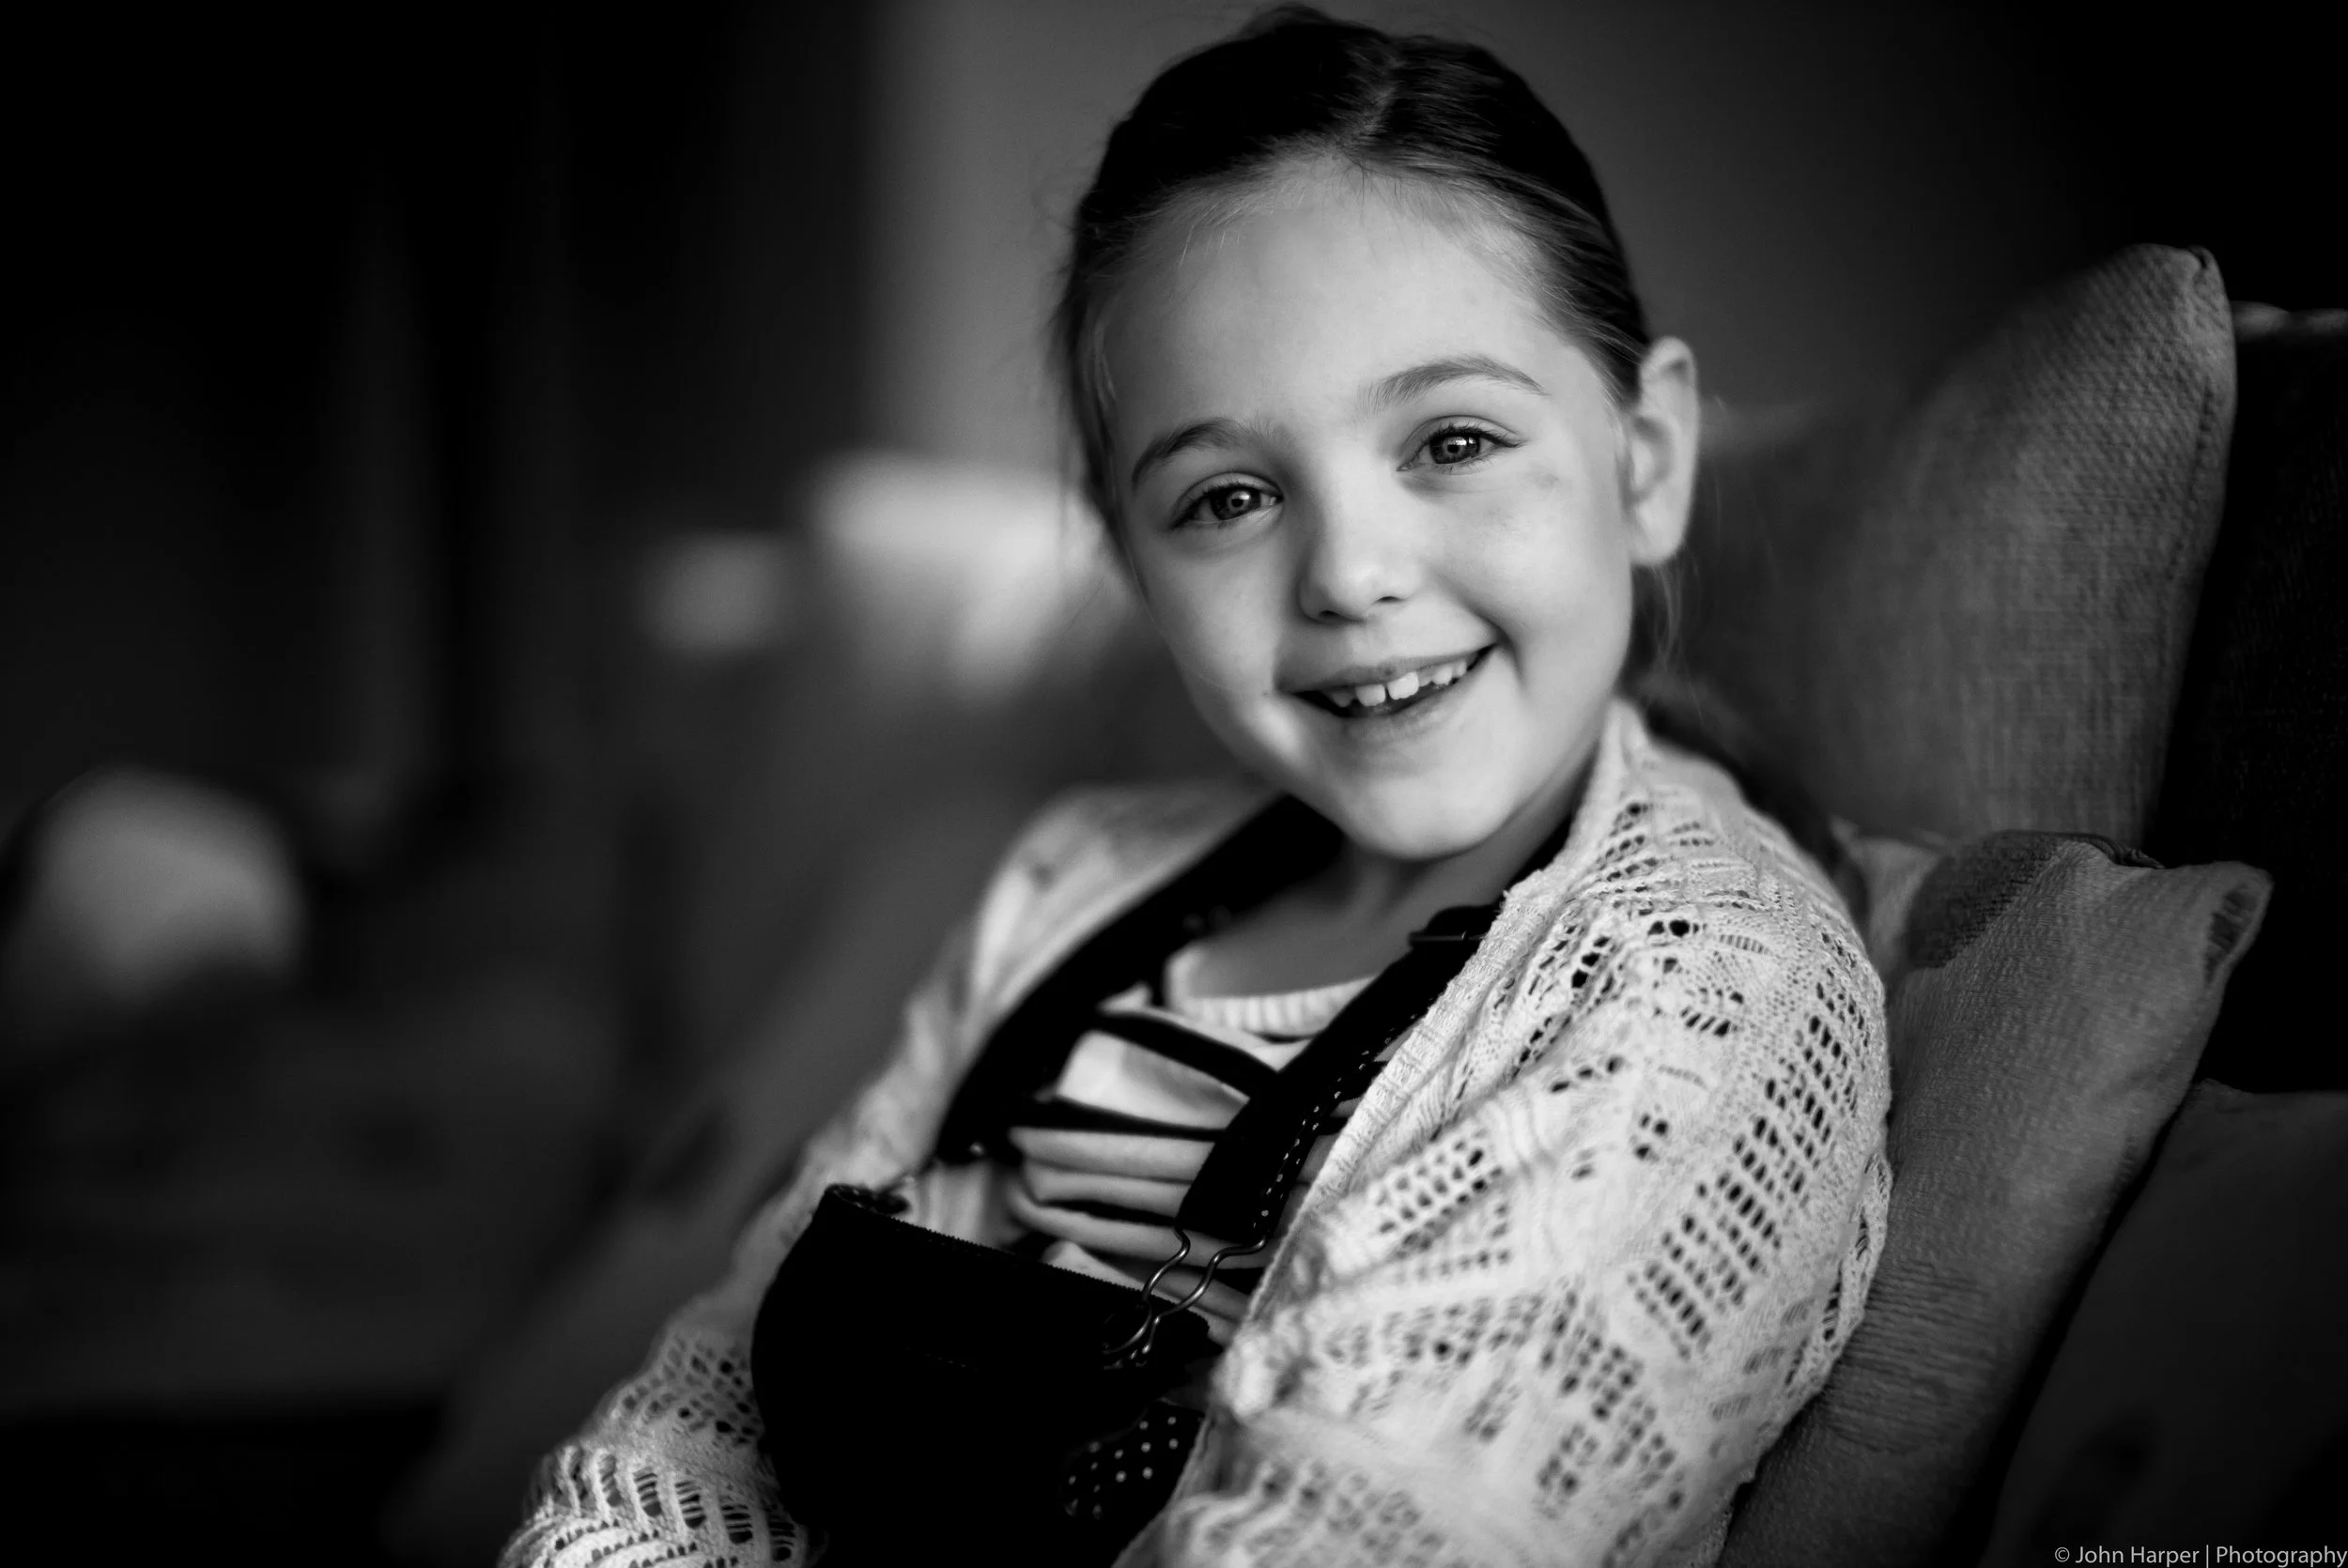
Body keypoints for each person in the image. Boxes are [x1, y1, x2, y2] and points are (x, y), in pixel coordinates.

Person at [502, 8, 1891, 1565]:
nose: (1350, 573)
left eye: (1453, 439)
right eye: (1228, 497)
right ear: (1134, 566)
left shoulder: (1703, 985)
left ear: (1646, 462)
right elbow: (703, 1416)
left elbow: (1379, 1528)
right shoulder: (1069, 884)